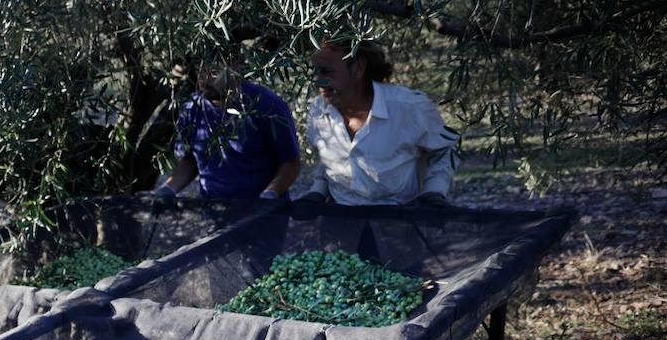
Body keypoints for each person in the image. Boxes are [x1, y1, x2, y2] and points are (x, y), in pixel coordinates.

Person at [299, 39, 460, 206]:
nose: (319, 82)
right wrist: (317, 192)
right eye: (315, 72)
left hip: (398, 219)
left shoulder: (408, 107)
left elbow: (445, 148)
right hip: (339, 220)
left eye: (326, 72)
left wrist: (433, 192)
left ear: (358, 68)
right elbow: (329, 159)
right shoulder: (318, 110)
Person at [153, 60, 302, 205]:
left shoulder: (266, 106)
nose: (204, 78)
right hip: (212, 214)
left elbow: (291, 163)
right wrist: (168, 189)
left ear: (235, 67)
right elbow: (189, 161)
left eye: (214, 71)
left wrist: (269, 195)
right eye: (201, 69)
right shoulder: (192, 108)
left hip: (263, 219)